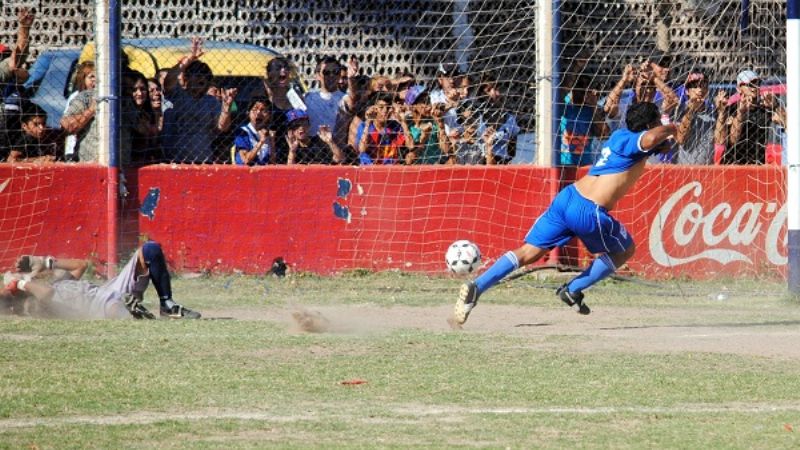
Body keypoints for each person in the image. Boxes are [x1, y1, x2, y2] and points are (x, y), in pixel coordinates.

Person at [452, 102, 677, 326]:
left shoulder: (620, 135)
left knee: (528, 252)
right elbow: (648, 139)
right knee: (625, 250)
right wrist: (671, 128)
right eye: (657, 122)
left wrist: (663, 142)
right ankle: (573, 289)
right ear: (650, 125)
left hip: (568, 197)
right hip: (590, 210)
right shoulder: (636, 140)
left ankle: (477, 286)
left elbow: (652, 145)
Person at [2, 241, 201, 319]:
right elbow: (46, 293)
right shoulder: (32, 304)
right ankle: (133, 312)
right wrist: (20, 282)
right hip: (103, 304)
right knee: (118, 309)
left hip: (108, 290)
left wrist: (44, 262)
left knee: (150, 250)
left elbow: (81, 265)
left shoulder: (54, 284)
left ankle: (167, 305)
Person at [161, 38, 237, 163]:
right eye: (196, 74)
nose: (201, 78)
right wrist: (188, 60)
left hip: (203, 159)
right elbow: (168, 82)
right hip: (176, 159)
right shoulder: (178, 95)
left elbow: (222, 127)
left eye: (205, 75)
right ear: (186, 78)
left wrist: (226, 108)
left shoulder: (211, 102)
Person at [714, 69, 785, 165]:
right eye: (749, 84)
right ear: (739, 88)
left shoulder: (765, 108)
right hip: (733, 164)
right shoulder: (732, 109)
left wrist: (775, 106)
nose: (754, 87)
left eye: (757, 83)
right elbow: (732, 140)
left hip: (757, 164)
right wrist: (740, 113)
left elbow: (787, 124)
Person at [356, 92, 413, 165]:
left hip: (390, 169)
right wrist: (368, 121)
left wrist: (403, 122)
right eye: (381, 107)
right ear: (373, 109)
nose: (385, 110)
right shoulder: (364, 126)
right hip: (370, 169)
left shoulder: (395, 126)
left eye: (388, 107)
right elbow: (362, 149)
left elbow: (410, 146)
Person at [674, 71, 715, 165]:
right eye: (695, 86)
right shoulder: (680, 109)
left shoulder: (713, 110)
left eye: (703, 85)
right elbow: (681, 139)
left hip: (708, 169)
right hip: (685, 168)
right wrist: (691, 110)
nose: (700, 89)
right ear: (687, 91)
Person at [276, 108, 344, 165]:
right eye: (296, 125)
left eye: (304, 124)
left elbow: (339, 159)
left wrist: (330, 142)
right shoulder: (289, 147)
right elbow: (289, 171)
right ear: (290, 131)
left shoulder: (320, 141)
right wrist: (292, 151)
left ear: (309, 126)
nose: (301, 127)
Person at [232, 96, 274, 165]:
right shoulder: (243, 132)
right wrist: (261, 142)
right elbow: (245, 160)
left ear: (269, 116)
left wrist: (272, 142)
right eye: (255, 109)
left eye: (263, 110)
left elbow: (273, 162)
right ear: (248, 112)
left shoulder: (269, 134)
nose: (258, 113)